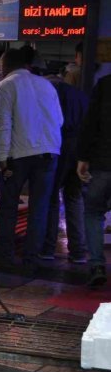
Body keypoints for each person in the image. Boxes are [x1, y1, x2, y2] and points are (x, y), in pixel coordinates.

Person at [0, 49, 63, 272]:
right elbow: (59, 119)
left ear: (7, 64)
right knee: (39, 207)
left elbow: (3, 124)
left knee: (9, 206)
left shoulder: (6, 85)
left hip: (19, 154)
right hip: (50, 152)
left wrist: (2, 157)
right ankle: (31, 258)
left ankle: (5, 257)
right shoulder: (47, 85)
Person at [41, 71, 90, 264]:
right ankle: (78, 251)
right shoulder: (81, 96)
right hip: (79, 149)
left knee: (52, 197)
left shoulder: (50, 93)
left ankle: (47, 248)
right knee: (75, 198)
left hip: (58, 146)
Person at [77, 74, 111, 287]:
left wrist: (83, 157)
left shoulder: (106, 84)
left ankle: (97, 265)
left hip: (103, 162)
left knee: (93, 212)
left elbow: (90, 123)